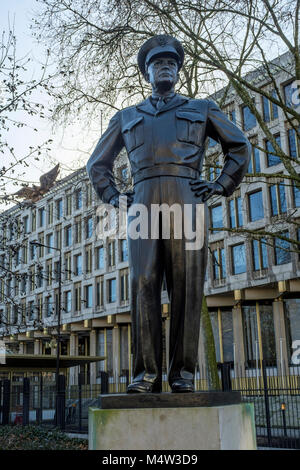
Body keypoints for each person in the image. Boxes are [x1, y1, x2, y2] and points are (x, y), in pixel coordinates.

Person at [87, 35, 251, 393]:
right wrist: (115, 196)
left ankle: (182, 374)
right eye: (157, 63)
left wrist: (222, 183)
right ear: (146, 72)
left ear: (178, 70)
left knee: (187, 287)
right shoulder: (126, 116)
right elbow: (97, 164)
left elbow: (239, 146)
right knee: (143, 283)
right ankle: (145, 375)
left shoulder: (203, 108)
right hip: (143, 202)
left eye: (171, 63)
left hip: (187, 200)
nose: (165, 67)